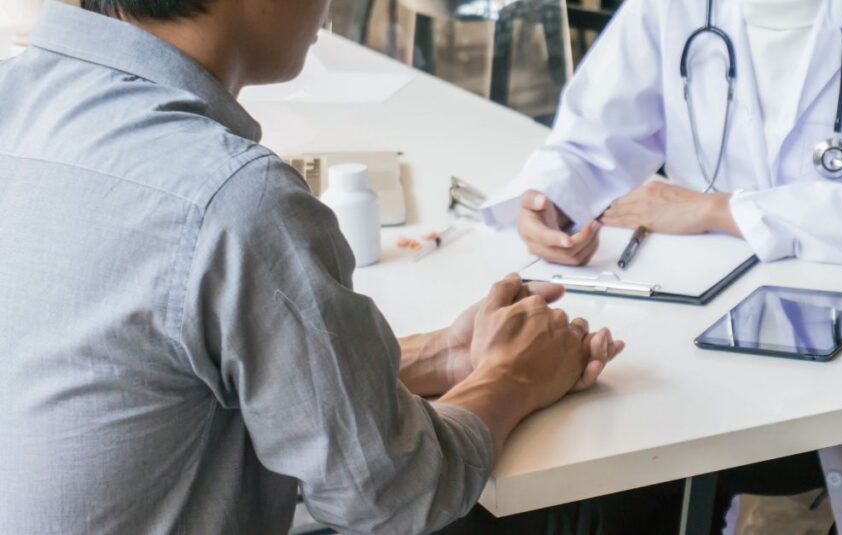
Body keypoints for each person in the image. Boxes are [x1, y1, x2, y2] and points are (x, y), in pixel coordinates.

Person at [0, 1, 625, 534]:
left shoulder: (20, 98)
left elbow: (138, 372)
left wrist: (430, 357)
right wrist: (512, 378)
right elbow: (390, 499)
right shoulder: (232, 199)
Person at [482, 0, 842, 531]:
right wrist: (551, 199)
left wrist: (719, 208)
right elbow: (591, 138)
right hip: (706, 337)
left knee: (629, 464)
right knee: (593, 464)